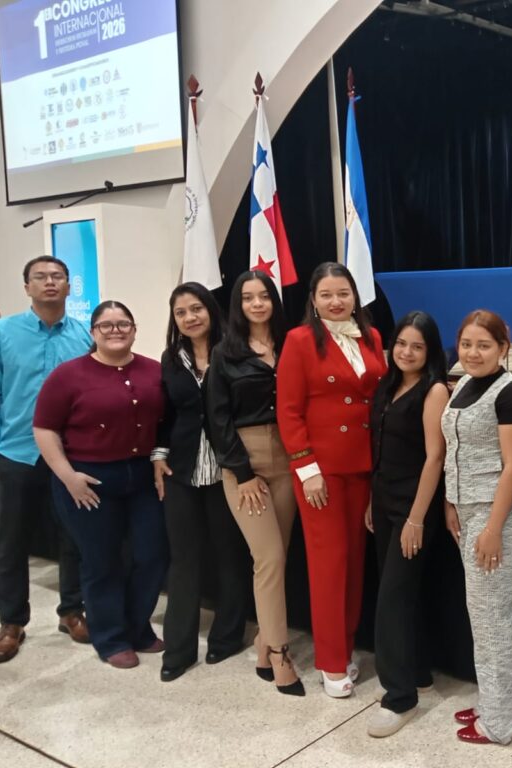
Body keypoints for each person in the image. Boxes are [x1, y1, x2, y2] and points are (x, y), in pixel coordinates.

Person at [33, 300, 168, 669]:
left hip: (142, 477)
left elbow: (166, 422)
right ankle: (110, 638)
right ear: (93, 332)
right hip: (88, 480)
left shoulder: (154, 371)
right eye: (106, 325)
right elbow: (44, 429)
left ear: (134, 329)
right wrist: (68, 477)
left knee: (152, 555)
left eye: (123, 323)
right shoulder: (68, 375)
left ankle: (137, 628)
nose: (115, 330)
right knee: (101, 560)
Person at [276, 262, 386, 698]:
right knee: (329, 564)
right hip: (321, 472)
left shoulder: (372, 336)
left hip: (365, 465)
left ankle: (346, 646)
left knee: (355, 564)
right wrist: (307, 469)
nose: (336, 301)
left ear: (355, 296)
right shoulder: (299, 341)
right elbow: (288, 411)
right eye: (327, 294)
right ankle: (330, 660)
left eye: (343, 293)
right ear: (313, 300)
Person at [0, 256, 90, 663]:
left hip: (71, 455)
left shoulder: (84, 334)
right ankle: (11, 622)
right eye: (40, 277)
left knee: (73, 536)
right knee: (11, 541)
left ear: (68, 286)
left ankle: (72, 610)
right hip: (16, 452)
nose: (49, 282)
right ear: (27, 287)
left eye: (57, 276)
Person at [443, 309, 512, 746]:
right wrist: (451, 502)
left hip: (500, 515)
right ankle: (494, 701)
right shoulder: (463, 383)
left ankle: (504, 720)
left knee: (492, 616)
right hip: (469, 510)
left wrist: (493, 528)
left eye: (484, 345)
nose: (473, 353)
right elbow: (456, 450)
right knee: (482, 615)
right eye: (467, 344)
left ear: (503, 347)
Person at [206, 270, 302, 696]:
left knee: (279, 557)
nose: (257, 304)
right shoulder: (225, 353)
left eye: (264, 296)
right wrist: (242, 473)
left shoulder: (292, 344)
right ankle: (280, 653)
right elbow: (217, 419)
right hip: (246, 462)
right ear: (238, 305)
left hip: (291, 455)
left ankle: (264, 644)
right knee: (269, 558)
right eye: (248, 298)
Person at [153, 283, 252, 682]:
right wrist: (158, 454)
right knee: (184, 559)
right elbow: (166, 413)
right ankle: (178, 649)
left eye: (196, 308)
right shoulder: (170, 358)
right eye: (181, 312)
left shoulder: (235, 351)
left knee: (230, 556)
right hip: (182, 472)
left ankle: (227, 637)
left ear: (211, 309)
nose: (190, 317)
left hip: (228, 470)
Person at [365, 311, 449, 737]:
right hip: (384, 500)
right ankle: (416, 673)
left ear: (430, 351)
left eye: (417, 346)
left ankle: (399, 698)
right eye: (401, 343)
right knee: (400, 594)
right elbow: (380, 448)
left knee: (392, 602)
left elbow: (435, 458)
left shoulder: (434, 390)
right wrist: (371, 500)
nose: (407, 352)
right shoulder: (388, 383)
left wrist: (416, 518)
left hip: (413, 508)